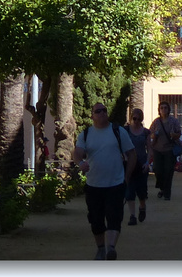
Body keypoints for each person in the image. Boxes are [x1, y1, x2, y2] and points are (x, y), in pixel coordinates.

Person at [72, 102, 136, 260]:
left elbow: (132, 154)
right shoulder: (86, 134)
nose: (102, 113)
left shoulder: (118, 131)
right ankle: (101, 248)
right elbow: (77, 153)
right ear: (92, 115)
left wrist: (127, 177)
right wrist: (80, 163)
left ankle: (111, 248)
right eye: (98, 111)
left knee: (115, 217)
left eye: (104, 110)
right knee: (96, 220)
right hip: (93, 185)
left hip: (115, 183)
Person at [149, 100, 182, 201]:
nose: (163, 110)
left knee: (168, 171)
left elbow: (179, 133)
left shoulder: (174, 121)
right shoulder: (156, 122)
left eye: (165, 108)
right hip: (157, 149)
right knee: (157, 170)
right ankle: (163, 188)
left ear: (168, 110)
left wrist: (174, 135)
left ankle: (167, 194)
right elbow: (150, 133)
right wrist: (154, 135)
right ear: (159, 110)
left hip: (169, 150)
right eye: (161, 108)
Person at [123, 108, 151, 226]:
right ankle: (132, 216)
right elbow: (121, 146)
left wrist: (147, 163)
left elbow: (150, 149)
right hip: (129, 164)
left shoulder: (145, 132)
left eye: (139, 119)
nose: (136, 121)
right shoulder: (125, 131)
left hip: (141, 164)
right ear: (131, 118)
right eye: (134, 118)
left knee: (142, 191)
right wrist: (124, 157)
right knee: (129, 190)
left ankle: (142, 207)